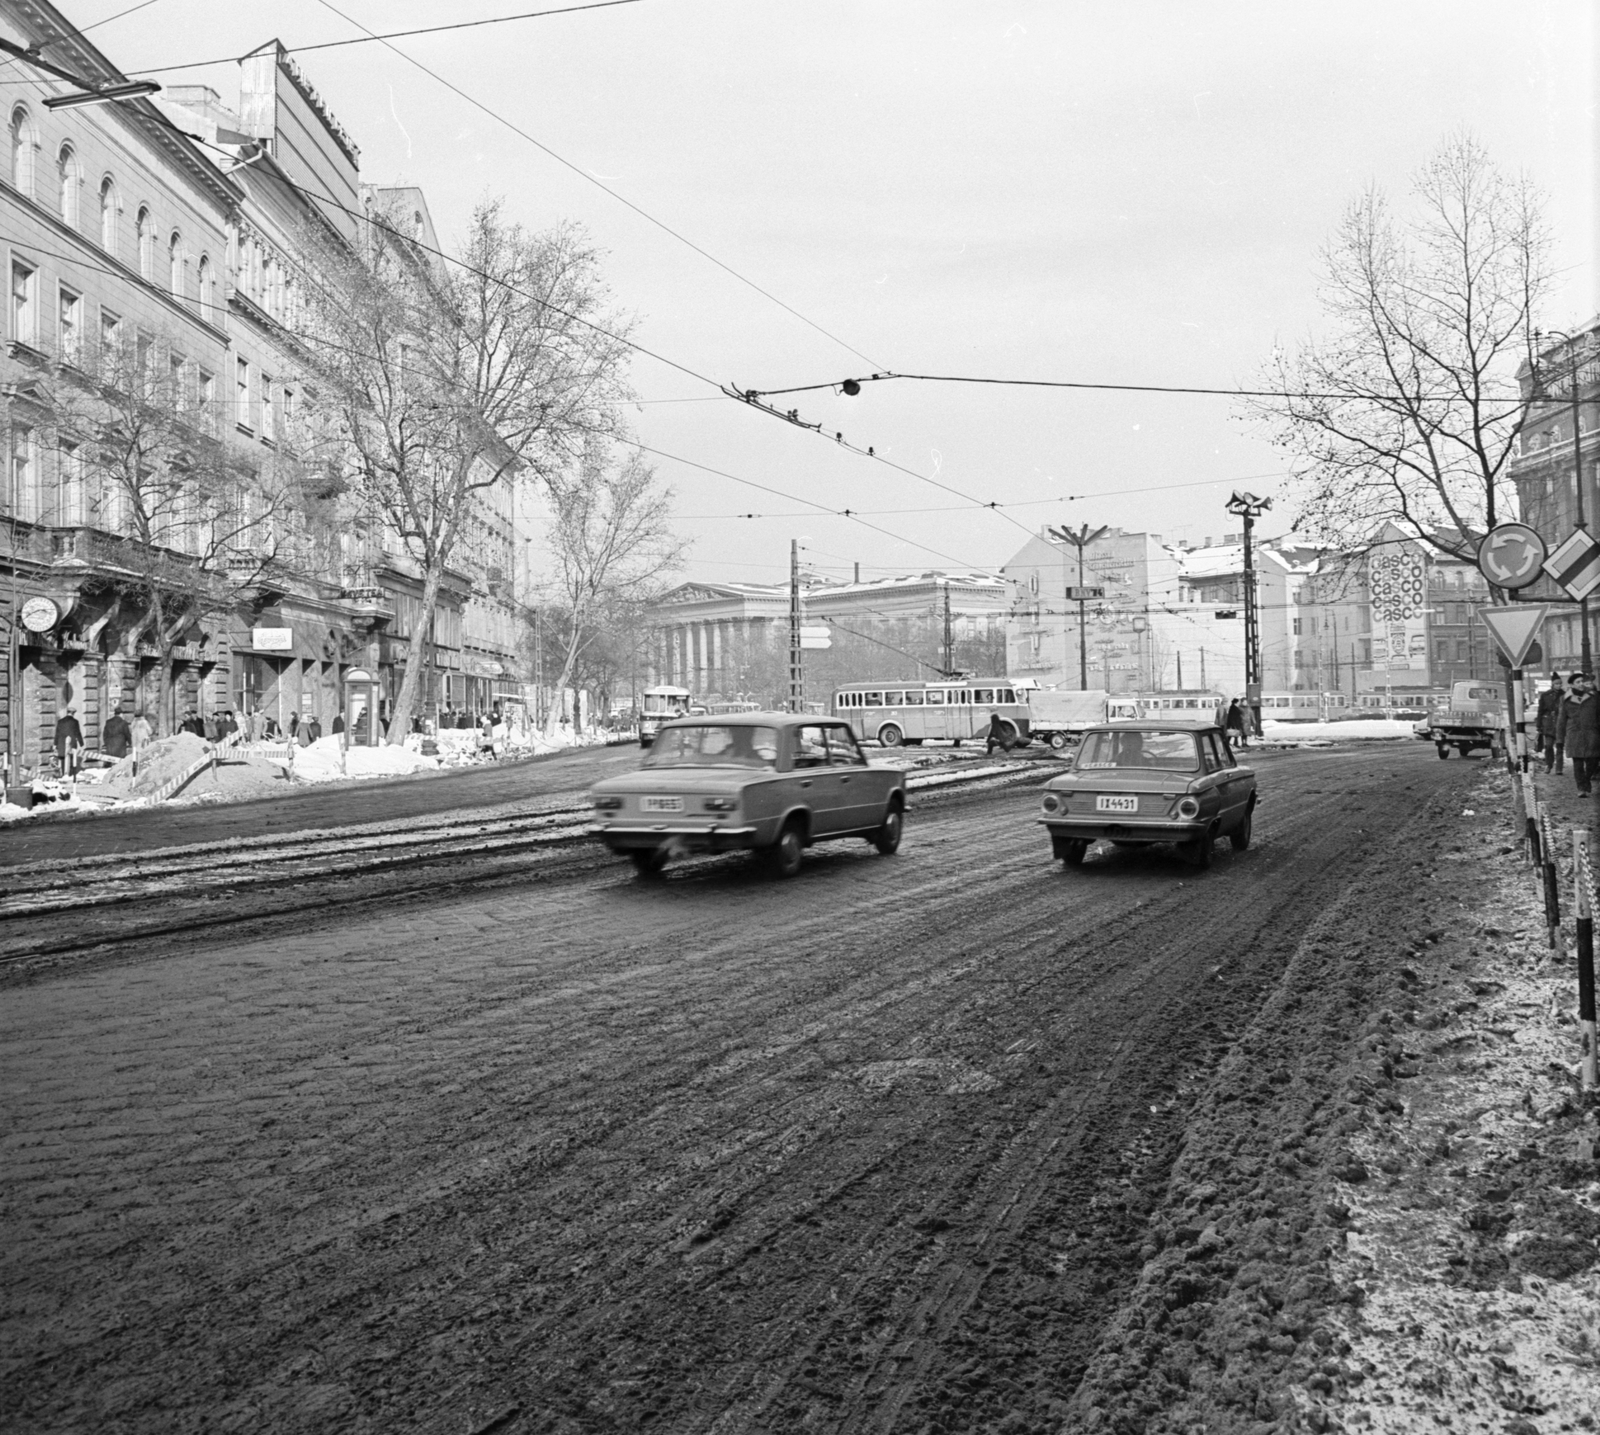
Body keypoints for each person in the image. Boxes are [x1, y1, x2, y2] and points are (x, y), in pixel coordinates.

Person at [1556, 672, 1600, 796]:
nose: (1581, 684)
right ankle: (1581, 788)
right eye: (1578, 682)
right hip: (1574, 734)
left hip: (1592, 733)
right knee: (1578, 762)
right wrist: (1560, 739)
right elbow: (1561, 720)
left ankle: (1586, 780)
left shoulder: (1594, 696)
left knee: (1593, 761)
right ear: (1572, 685)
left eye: (1582, 681)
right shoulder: (1565, 699)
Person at [1537, 673, 1566, 774]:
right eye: (1556, 684)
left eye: (1560, 684)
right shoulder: (1545, 696)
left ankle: (1559, 768)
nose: (1558, 685)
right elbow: (1540, 711)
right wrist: (1539, 725)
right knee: (1548, 746)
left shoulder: (1565, 695)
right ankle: (1549, 765)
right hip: (1549, 724)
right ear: (1552, 684)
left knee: (1559, 746)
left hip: (1560, 723)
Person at [53, 706, 84, 777]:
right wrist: (81, 744)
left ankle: (63, 773)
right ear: (73, 713)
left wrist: (55, 744)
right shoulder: (75, 722)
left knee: (63, 759)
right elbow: (78, 733)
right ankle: (70, 774)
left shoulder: (60, 721)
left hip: (61, 743)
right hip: (71, 743)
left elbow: (57, 733)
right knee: (72, 759)